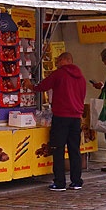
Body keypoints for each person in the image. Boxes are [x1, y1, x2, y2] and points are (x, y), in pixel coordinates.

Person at [34, 52, 87, 191]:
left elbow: (43, 86)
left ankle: (59, 182)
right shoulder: (81, 77)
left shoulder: (59, 74)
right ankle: (76, 181)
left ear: (64, 60)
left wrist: (30, 85)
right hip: (76, 117)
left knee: (58, 149)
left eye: (58, 60)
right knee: (74, 150)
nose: (57, 63)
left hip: (61, 116)